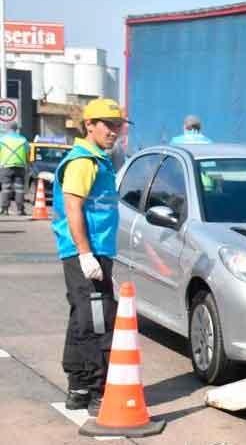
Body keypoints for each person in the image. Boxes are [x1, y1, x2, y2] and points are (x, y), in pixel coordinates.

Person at [52, 98, 130, 417]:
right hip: (86, 251)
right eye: (107, 125)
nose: (114, 131)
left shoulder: (100, 159)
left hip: (96, 251)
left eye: (118, 125)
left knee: (82, 317)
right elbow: (73, 209)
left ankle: (79, 387)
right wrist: (86, 254)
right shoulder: (84, 161)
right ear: (90, 126)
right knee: (97, 319)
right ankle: (98, 391)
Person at [0, 122, 29, 215]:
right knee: (19, 189)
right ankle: (20, 210)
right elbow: (27, 152)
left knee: (6, 188)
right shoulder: (23, 140)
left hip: (6, 167)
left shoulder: (2, 140)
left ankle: (4, 209)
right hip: (20, 167)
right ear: (17, 129)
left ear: (8, 129)